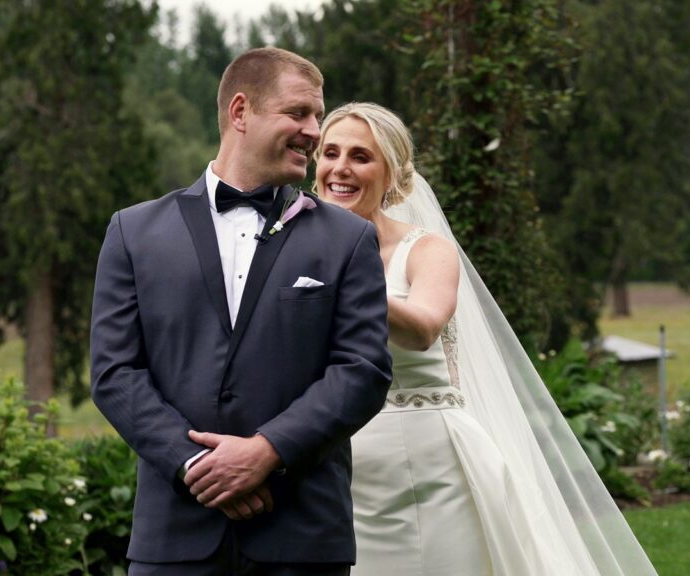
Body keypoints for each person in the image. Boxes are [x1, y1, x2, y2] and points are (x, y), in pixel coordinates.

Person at [315, 102, 659, 576]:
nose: (341, 168)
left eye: (361, 156)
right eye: (330, 153)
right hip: (332, 465)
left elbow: (422, 328)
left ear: (392, 173)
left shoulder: (426, 250)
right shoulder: (295, 247)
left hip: (427, 466)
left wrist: (341, 281)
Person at [89, 49, 392, 576]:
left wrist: (266, 452)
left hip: (301, 537)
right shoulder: (133, 233)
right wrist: (197, 466)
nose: (314, 131)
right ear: (239, 112)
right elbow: (115, 373)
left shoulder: (348, 239)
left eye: (317, 116)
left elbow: (362, 372)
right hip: (174, 538)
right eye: (299, 114)